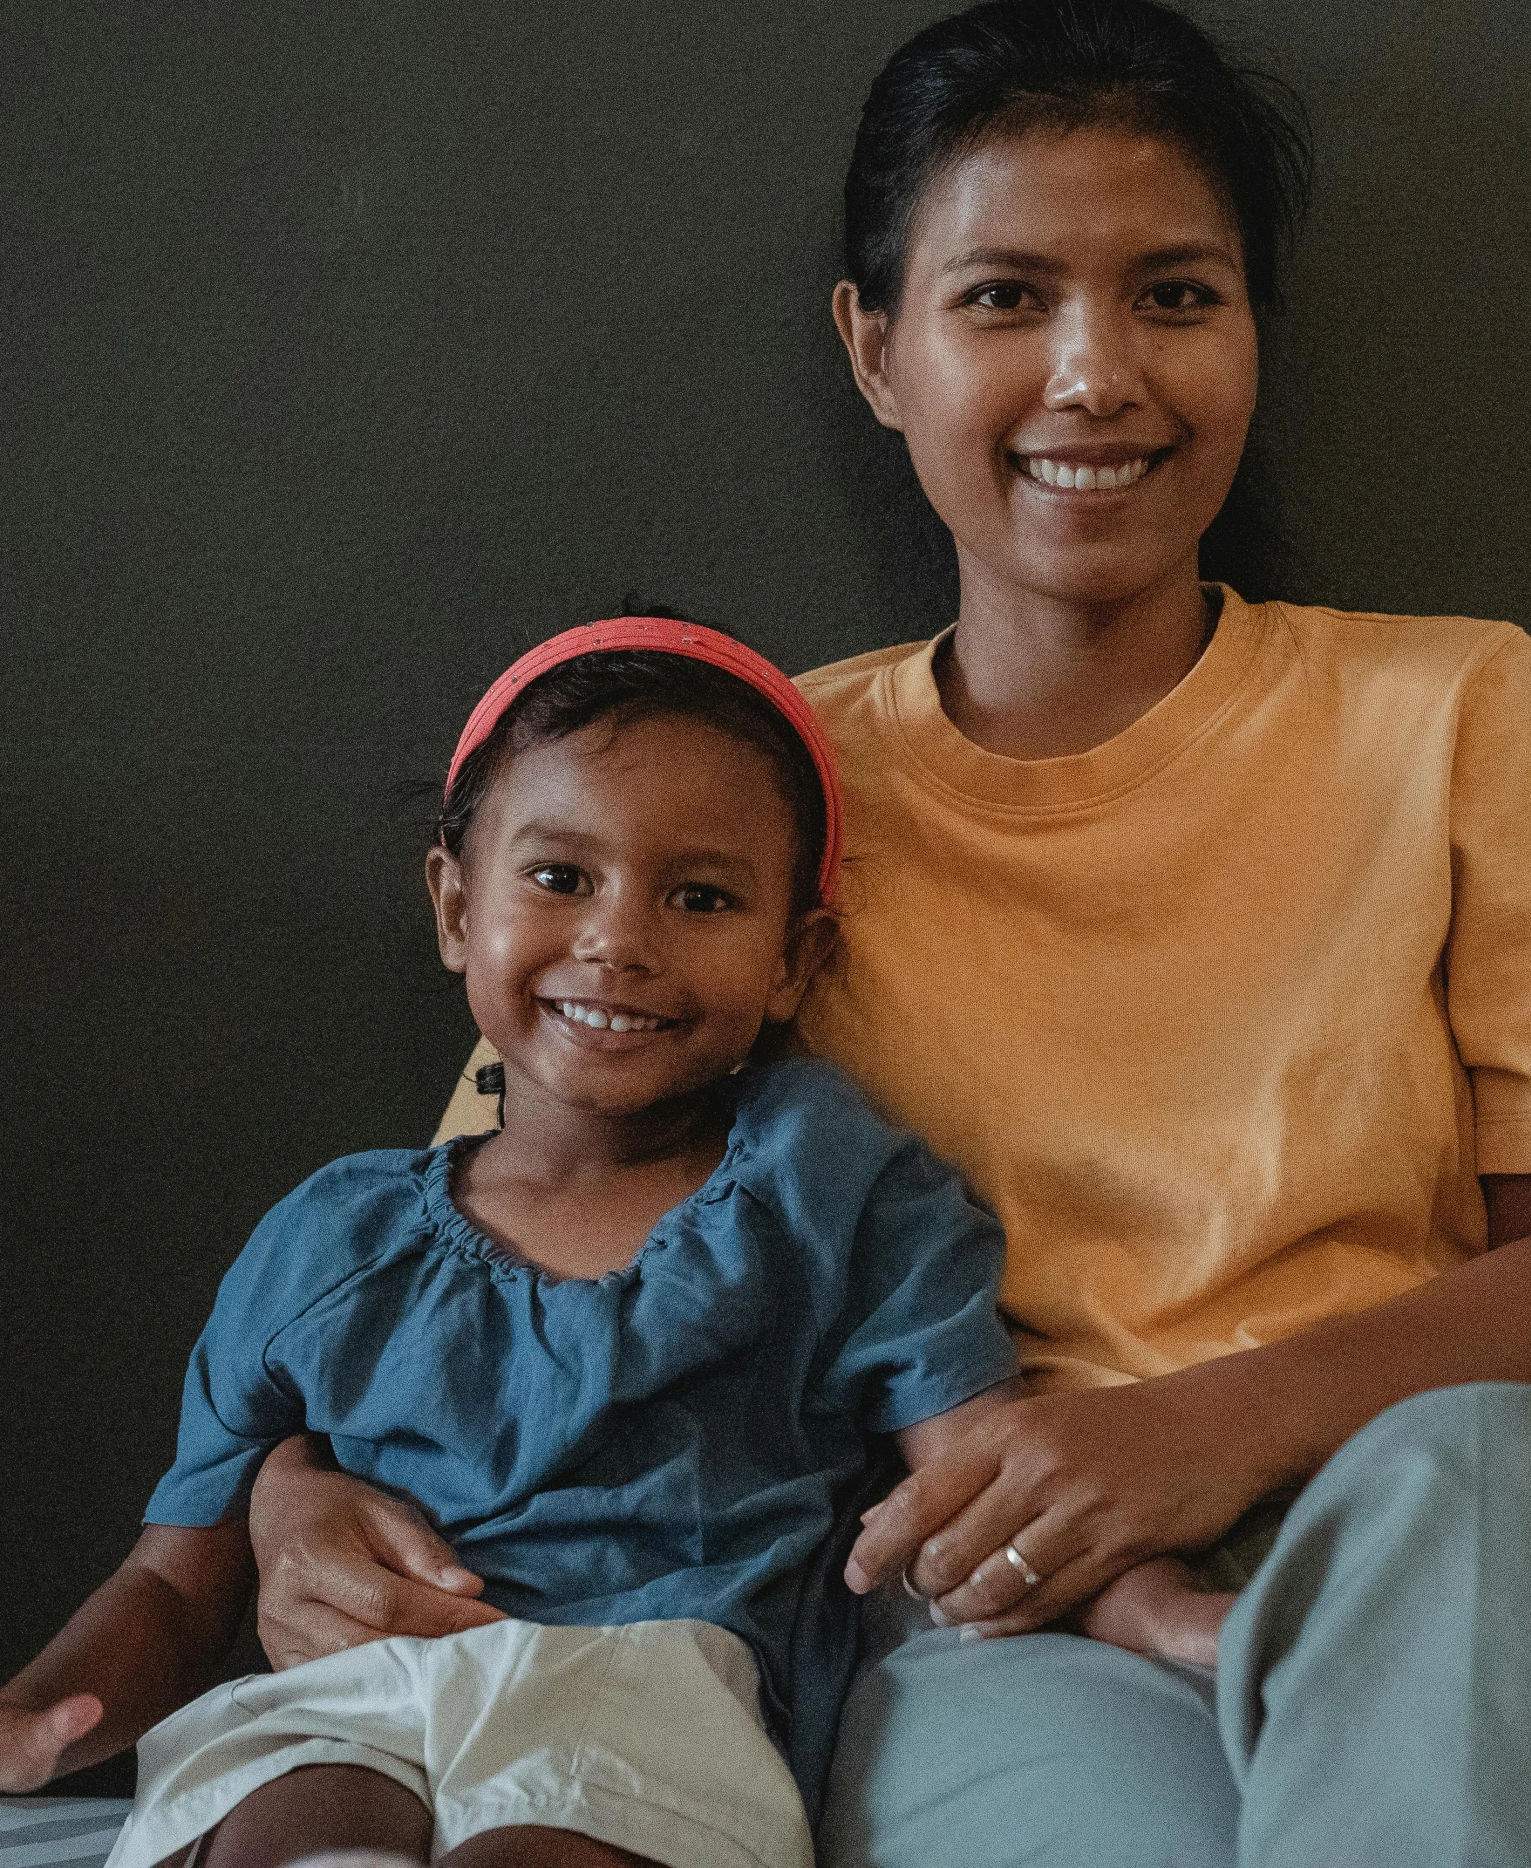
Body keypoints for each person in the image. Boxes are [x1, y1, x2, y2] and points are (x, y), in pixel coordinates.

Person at [249, 0, 1531, 1867]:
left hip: (1450, 1523)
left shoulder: (1450, 710)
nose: (1094, 373)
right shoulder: (746, 797)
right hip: (995, 1602)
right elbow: (481, 1245)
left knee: (1492, 1483)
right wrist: (288, 1499)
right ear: (877, 350)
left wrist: (1203, 1428)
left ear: (1253, 335)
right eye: (1004, 297)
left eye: (1175, 294)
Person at [0, 619, 1049, 1868]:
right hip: (364, 1691)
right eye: (560, 878)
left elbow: (981, 1477)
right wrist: (36, 1715)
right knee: (300, 1812)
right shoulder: (333, 1236)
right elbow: (178, 1586)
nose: (619, 938)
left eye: (700, 897)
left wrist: (1134, 1600)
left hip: (651, 1699)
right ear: (454, 904)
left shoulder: (826, 1186)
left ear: (792, 960)